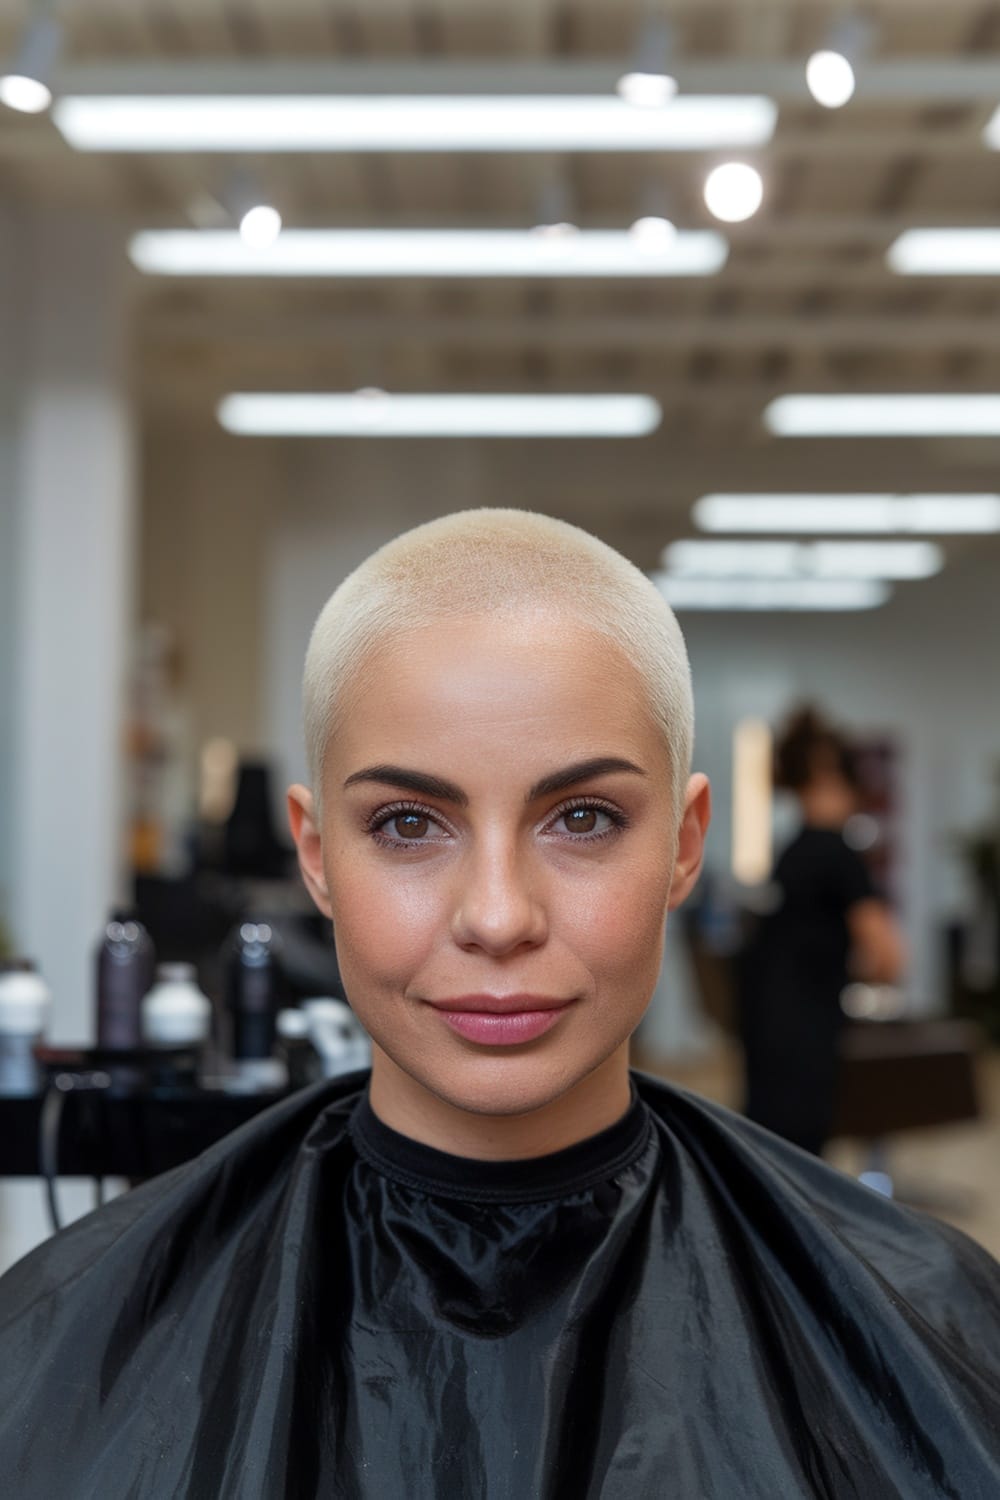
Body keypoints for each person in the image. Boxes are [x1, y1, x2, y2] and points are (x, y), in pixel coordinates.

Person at [0, 510, 996, 1499]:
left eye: (582, 817)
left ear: (685, 844)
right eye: (405, 824)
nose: (497, 916)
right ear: (315, 858)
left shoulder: (937, 1324)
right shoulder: (53, 1343)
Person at [740, 707, 905, 1155]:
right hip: (803, 1040)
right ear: (834, 774)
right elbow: (890, 958)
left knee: (775, 1164)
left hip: (766, 1031)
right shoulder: (838, 854)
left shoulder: (791, 852)